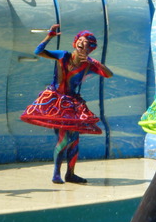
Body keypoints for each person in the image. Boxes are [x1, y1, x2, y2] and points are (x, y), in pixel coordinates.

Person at [20, 25, 113, 184]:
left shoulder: (88, 65)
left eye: (86, 43)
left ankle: (70, 174)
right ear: (76, 42)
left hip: (72, 104)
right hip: (55, 102)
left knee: (74, 140)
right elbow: (38, 52)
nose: (82, 44)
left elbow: (108, 74)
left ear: (90, 48)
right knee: (64, 139)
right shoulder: (63, 56)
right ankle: (56, 173)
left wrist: (94, 61)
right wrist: (49, 37)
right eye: (81, 40)